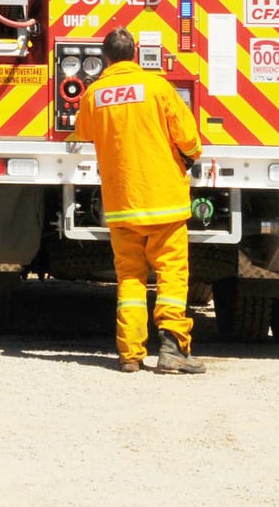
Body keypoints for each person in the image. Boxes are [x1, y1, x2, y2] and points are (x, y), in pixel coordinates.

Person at [73, 26, 206, 375]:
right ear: (134, 54)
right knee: (171, 275)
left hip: (122, 203)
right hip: (165, 201)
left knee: (130, 278)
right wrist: (190, 156)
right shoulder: (158, 87)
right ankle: (173, 349)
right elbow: (188, 138)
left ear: (105, 58)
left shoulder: (95, 94)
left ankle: (130, 354)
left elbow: (83, 132)